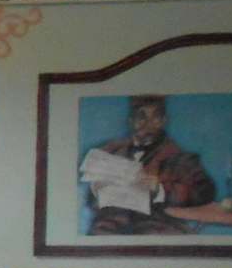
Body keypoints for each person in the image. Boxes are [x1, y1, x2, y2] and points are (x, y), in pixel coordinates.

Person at [81, 95, 215, 235]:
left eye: (155, 118)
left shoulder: (180, 158)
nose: (148, 124)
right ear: (131, 121)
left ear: (164, 121)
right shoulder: (110, 152)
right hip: (111, 225)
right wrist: (96, 191)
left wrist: (159, 189)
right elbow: (92, 201)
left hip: (159, 226)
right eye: (141, 117)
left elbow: (205, 192)